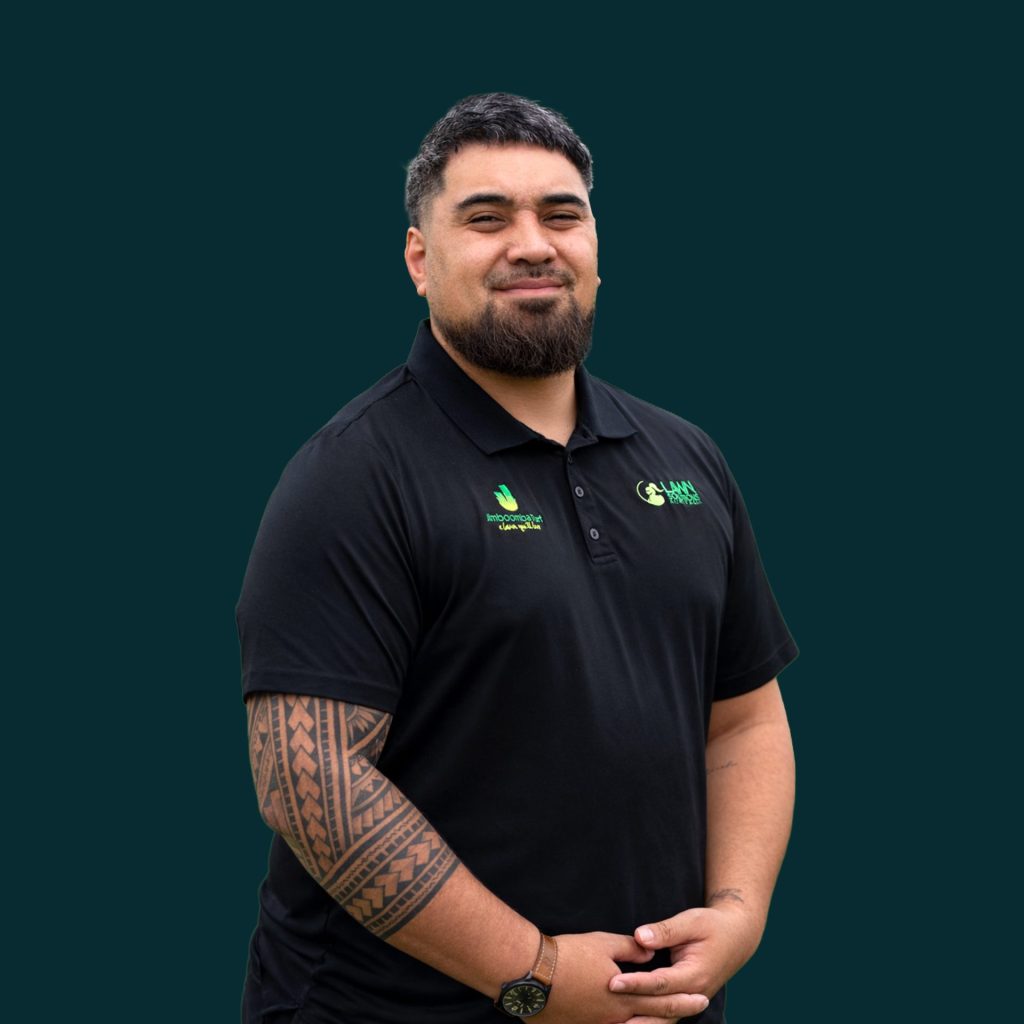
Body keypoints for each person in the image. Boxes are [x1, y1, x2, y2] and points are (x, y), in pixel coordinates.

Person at [237, 92, 798, 1024]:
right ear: (420, 259)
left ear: (595, 247)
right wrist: (532, 974)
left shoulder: (685, 457)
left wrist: (738, 915)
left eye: (561, 215)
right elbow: (312, 784)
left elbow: (742, 721)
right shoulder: (353, 475)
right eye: (487, 218)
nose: (532, 245)